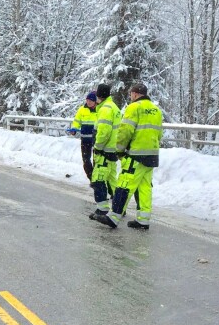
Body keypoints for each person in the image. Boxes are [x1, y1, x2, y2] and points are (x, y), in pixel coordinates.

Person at [95, 82, 163, 230]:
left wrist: (120, 150)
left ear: (135, 94)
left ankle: (113, 217)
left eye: (131, 94)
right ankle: (143, 220)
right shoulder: (156, 110)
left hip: (135, 155)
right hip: (151, 155)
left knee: (124, 185)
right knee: (144, 187)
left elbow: (125, 131)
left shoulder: (134, 107)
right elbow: (159, 134)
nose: (130, 96)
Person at [88, 83, 120, 220]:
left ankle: (102, 209)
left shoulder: (105, 109)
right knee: (112, 180)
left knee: (98, 179)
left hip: (104, 151)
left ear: (98, 95)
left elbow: (104, 132)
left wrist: (98, 147)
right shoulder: (114, 107)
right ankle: (119, 208)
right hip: (113, 149)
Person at [67, 91, 98, 179]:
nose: (88, 102)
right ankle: (91, 177)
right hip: (85, 139)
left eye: (90, 100)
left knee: (97, 161)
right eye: (87, 100)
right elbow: (76, 121)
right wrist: (74, 129)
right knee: (86, 160)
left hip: (96, 140)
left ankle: (96, 179)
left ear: (95, 101)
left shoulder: (100, 110)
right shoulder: (82, 109)